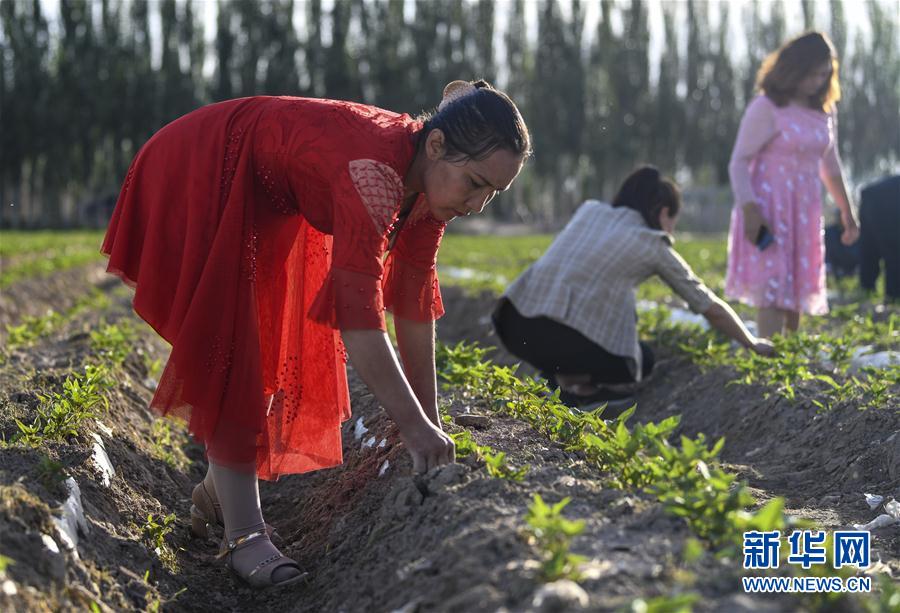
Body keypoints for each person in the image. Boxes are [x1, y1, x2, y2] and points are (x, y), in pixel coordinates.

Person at [101, 80, 530, 587]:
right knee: (237, 348)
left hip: (269, 190)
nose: (478, 205)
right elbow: (361, 322)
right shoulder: (374, 173)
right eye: (475, 183)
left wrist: (429, 422)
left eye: (492, 193)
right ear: (436, 146)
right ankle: (243, 536)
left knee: (265, 347)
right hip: (209, 163)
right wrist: (412, 429)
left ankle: (220, 491)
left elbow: (413, 304)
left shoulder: (428, 187)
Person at [491, 166, 773, 411]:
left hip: (511, 322)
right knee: (641, 360)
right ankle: (581, 393)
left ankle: (558, 379)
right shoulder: (652, 242)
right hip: (559, 340)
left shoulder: (590, 211)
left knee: (594, 320)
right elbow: (707, 305)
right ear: (664, 213)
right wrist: (751, 342)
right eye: (672, 222)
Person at [726, 31, 859, 338]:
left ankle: (789, 361)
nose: (817, 82)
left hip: (805, 210)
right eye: (811, 74)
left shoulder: (824, 110)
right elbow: (739, 161)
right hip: (767, 208)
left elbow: (831, 164)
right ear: (793, 69)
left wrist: (847, 211)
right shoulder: (767, 107)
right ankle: (769, 361)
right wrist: (749, 210)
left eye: (824, 75)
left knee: (797, 284)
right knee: (772, 286)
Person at [858, 174, 900, 302]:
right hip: (887, 200)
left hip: (870, 197)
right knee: (894, 251)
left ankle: (867, 288)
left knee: (869, 248)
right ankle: (893, 296)